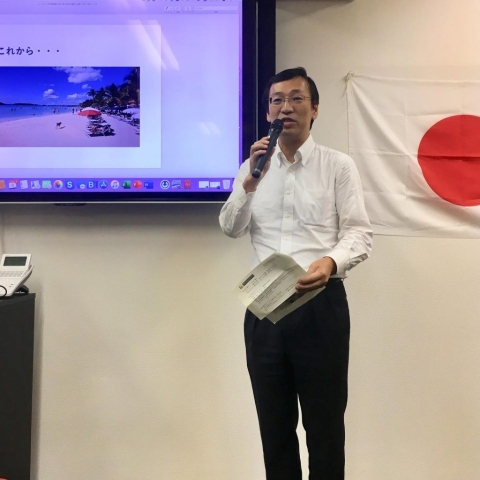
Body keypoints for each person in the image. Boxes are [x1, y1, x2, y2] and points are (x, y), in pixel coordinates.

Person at [219, 67, 373, 480]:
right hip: (265, 307)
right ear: (268, 111)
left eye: (295, 98)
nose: (285, 107)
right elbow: (230, 228)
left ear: (314, 109)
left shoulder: (338, 166)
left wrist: (330, 262)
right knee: (274, 429)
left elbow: (359, 234)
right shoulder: (251, 168)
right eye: (276, 100)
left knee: (325, 428)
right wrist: (250, 183)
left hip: (320, 304)